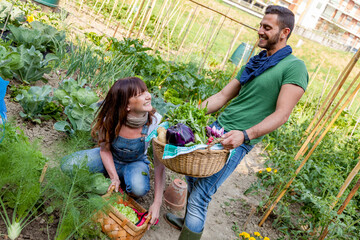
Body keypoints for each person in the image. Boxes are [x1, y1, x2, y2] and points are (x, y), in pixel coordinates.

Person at [164, 5, 309, 239]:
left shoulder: (294, 67)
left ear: (284, 32)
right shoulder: (256, 62)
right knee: (194, 178)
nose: (260, 31)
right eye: (261, 25)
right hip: (216, 130)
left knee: (202, 194)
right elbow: (222, 96)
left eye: (267, 27)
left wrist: (246, 134)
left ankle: (190, 229)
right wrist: (185, 115)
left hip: (236, 140)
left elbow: (282, 115)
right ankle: (187, 223)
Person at [61, 77, 165, 228]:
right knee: (68, 165)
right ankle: (114, 180)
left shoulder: (155, 122)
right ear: (127, 105)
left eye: (146, 91)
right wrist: (114, 177)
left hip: (135, 162)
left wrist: (157, 203)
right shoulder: (110, 118)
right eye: (140, 94)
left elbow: (160, 164)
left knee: (138, 188)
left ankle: (123, 183)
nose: (148, 95)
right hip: (109, 157)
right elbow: (104, 149)